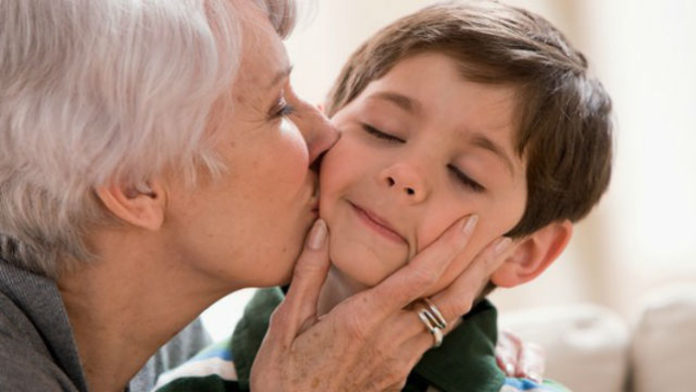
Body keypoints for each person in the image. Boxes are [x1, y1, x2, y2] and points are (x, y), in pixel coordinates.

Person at [0, 1, 510, 391]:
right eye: (278, 110)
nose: (327, 133)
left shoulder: (160, 344)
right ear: (135, 183)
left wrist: (457, 353)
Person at [153, 1, 612, 391]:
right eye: (382, 130)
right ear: (326, 122)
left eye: (465, 174)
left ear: (526, 252)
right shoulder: (193, 382)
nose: (404, 174)